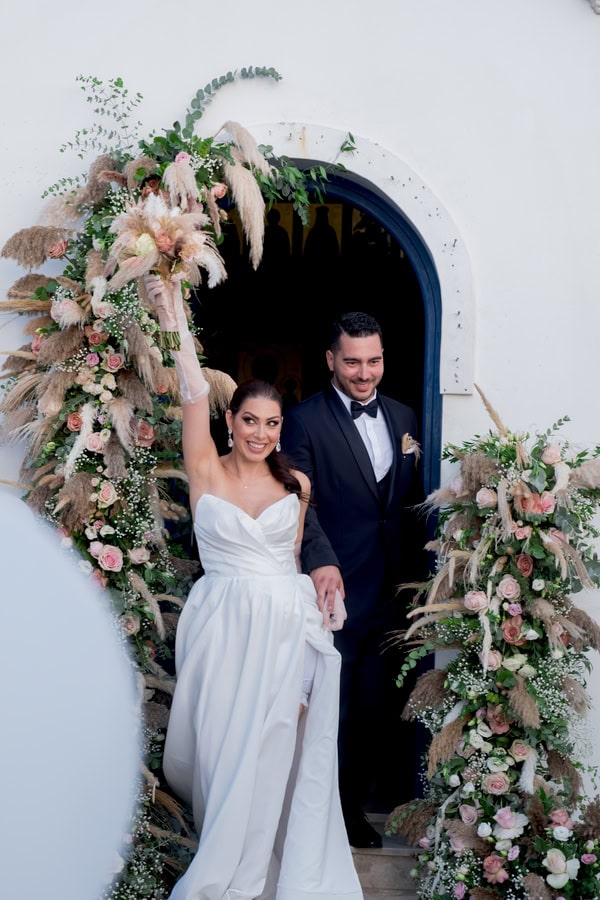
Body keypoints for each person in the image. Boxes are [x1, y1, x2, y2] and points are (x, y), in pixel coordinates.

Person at [144, 274, 363, 900]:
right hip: (219, 630)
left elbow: (297, 574)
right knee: (216, 758)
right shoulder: (205, 472)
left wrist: (304, 667)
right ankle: (221, 863)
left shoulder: (295, 489)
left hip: (279, 636)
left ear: (279, 427)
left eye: (272, 422)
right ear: (232, 421)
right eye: (249, 420)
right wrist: (173, 316)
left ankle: (248, 884)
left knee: (268, 758)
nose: (261, 432)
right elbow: (190, 393)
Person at [280, 311, 425, 850]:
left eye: (374, 361)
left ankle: (354, 806)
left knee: (374, 708)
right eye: (353, 362)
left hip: (395, 593)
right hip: (334, 591)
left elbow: (408, 506)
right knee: (330, 709)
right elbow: (300, 498)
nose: (365, 373)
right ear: (330, 361)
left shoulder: (406, 416)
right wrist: (318, 559)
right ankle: (324, 816)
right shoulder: (303, 420)